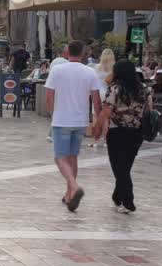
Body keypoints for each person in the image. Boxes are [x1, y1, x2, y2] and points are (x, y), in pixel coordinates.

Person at [45, 40, 102, 212]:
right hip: (80, 121)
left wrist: (52, 114)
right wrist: (97, 120)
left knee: (60, 157)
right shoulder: (90, 72)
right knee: (73, 157)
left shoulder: (57, 70)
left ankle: (74, 186)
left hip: (62, 119)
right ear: (84, 53)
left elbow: (49, 96)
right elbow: (96, 99)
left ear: (67, 52)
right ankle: (69, 195)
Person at [92, 59, 152, 214]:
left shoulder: (115, 89)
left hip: (117, 132)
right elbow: (149, 111)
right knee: (125, 167)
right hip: (136, 133)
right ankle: (117, 196)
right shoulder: (144, 89)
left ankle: (128, 202)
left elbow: (105, 113)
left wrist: (96, 129)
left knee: (119, 168)